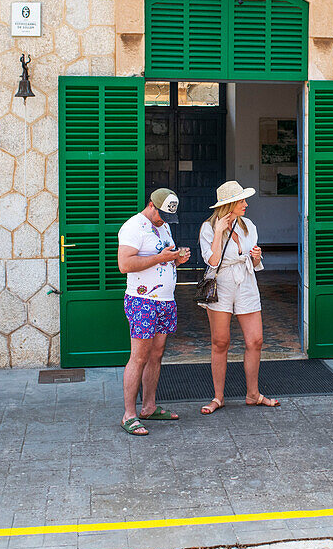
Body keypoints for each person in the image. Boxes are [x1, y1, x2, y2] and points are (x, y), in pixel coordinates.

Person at [197, 180, 279, 414]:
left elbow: (255, 262)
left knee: (256, 340)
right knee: (220, 342)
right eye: (242, 200)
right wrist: (220, 231)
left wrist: (256, 256)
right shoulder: (208, 228)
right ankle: (218, 397)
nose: (246, 204)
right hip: (221, 283)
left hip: (246, 281)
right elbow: (212, 261)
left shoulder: (248, 225)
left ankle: (253, 394)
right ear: (229, 204)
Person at [117, 188, 190, 436]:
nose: (163, 221)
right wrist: (160, 258)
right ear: (151, 205)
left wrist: (176, 258)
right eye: (161, 216)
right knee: (138, 357)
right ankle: (129, 414)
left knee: (156, 355)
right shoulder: (133, 227)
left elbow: (163, 255)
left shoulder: (164, 227)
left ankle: (149, 406)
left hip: (165, 300)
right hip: (142, 301)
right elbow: (125, 264)